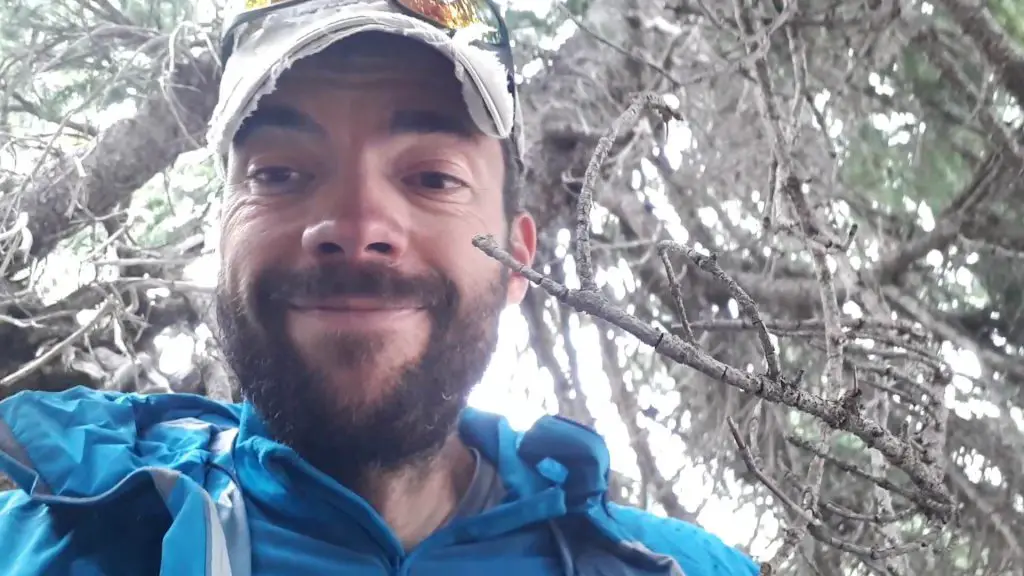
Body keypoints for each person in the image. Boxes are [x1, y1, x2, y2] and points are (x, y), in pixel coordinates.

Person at [0, 1, 759, 574]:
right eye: (279, 174)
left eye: (431, 176)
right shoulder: (49, 532)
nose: (356, 224)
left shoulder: (678, 568)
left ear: (519, 262)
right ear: (218, 235)